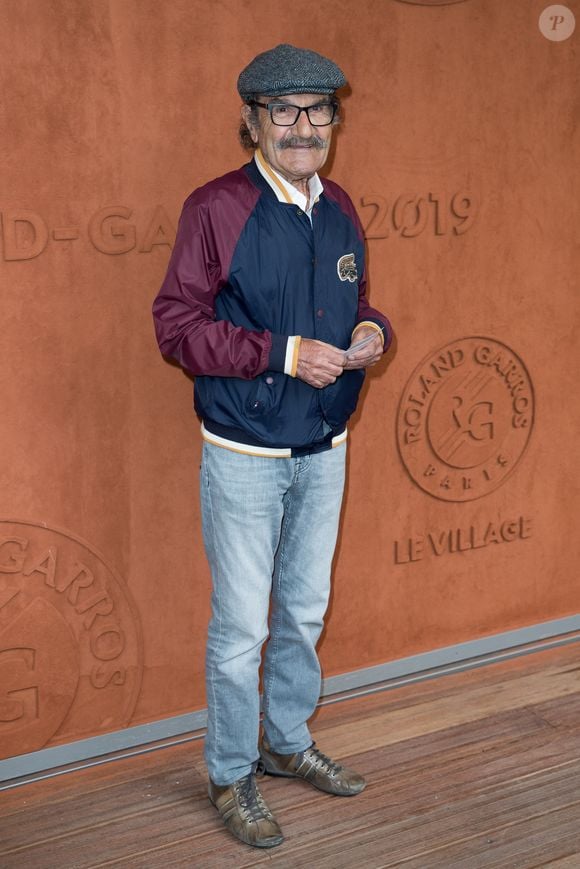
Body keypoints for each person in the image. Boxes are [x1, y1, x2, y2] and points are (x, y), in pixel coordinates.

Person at [152, 43, 392, 849]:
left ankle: (285, 742)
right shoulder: (215, 208)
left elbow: (358, 298)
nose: (302, 126)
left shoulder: (340, 205)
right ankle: (230, 770)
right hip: (245, 450)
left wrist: (372, 328)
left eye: (318, 109)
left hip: (326, 445)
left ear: (333, 120)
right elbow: (176, 329)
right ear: (252, 120)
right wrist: (284, 354)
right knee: (241, 628)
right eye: (283, 111)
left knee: (305, 611)